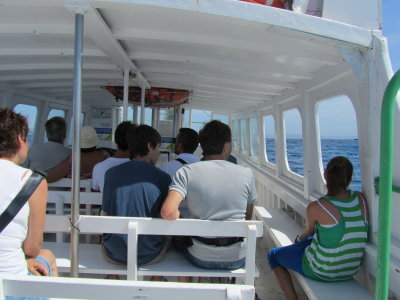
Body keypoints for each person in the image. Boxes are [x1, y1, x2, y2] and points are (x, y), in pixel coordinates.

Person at [161, 120, 258, 270]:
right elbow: (248, 213)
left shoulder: (187, 171)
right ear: (226, 146)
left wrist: (187, 225)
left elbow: (168, 212)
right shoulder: (246, 173)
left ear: (203, 146)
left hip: (199, 255)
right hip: (236, 257)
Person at [267, 156, 368, 300]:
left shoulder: (317, 207)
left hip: (321, 270)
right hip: (350, 270)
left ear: (326, 175)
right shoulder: (361, 199)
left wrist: (299, 239)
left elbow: (308, 233)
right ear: (350, 179)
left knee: (273, 255)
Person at [0, 108, 58, 291]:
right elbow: (32, 248)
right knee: (46, 255)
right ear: (19, 139)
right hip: (12, 284)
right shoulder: (33, 182)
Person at [101, 125, 171, 266]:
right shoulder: (163, 178)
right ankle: (156, 279)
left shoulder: (110, 174)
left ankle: (113, 276)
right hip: (148, 254)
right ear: (150, 146)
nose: (159, 153)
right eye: (158, 148)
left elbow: (106, 212)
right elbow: (165, 215)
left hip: (114, 252)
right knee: (170, 235)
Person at [92, 121, 136, 192]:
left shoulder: (99, 167)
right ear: (135, 142)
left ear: (115, 140)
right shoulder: (141, 168)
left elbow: (96, 192)